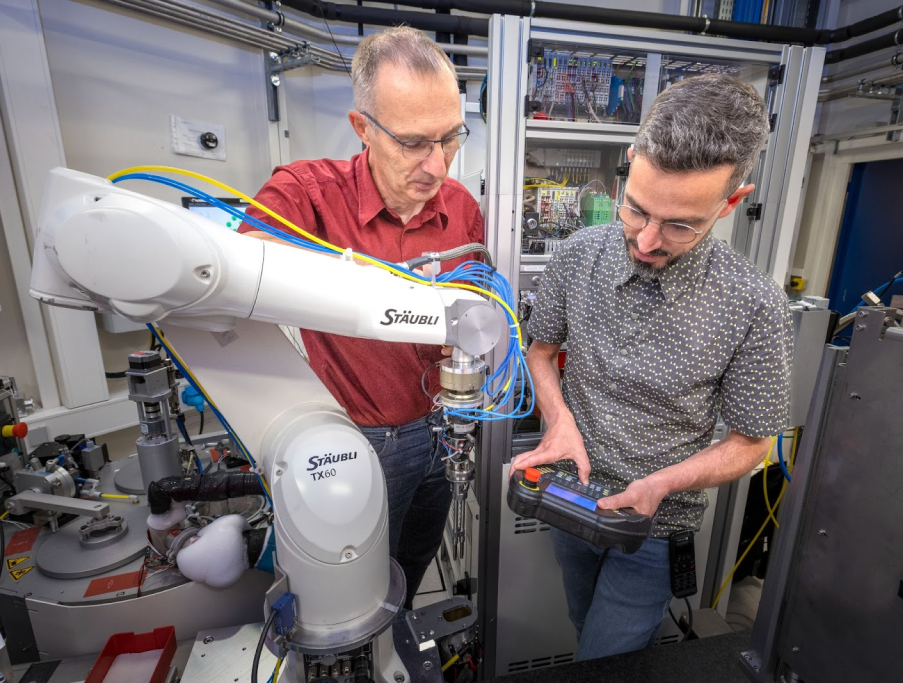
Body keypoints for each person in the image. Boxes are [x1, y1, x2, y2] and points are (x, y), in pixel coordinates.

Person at [513, 74, 793, 659]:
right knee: (580, 620)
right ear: (631, 162)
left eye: (680, 225)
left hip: (655, 533)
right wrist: (558, 418)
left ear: (731, 203)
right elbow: (540, 351)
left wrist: (663, 484)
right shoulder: (578, 254)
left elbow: (751, 444)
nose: (645, 240)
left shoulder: (754, 305)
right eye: (636, 210)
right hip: (572, 497)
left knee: (604, 657)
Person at [239, 27, 482, 608]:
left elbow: (475, 305)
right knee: (353, 594)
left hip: (445, 429)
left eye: (450, 139)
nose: (438, 166)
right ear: (363, 129)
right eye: (414, 143)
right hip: (362, 439)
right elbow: (242, 278)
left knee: (410, 570)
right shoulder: (306, 196)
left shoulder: (462, 210)